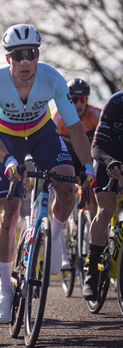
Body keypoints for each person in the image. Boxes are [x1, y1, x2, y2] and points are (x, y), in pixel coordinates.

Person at [0, 23, 95, 323]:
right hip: (6, 139)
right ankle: (5, 291)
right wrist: (6, 160)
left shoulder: (52, 78)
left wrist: (88, 166)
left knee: (68, 188)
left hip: (42, 133)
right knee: (9, 214)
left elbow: (74, 127)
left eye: (31, 54)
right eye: (18, 55)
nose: (25, 61)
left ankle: (54, 236)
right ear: (9, 59)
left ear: (38, 54)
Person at [52, 78, 101, 267]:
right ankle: (61, 247)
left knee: (95, 194)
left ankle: (94, 235)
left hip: (85, 156)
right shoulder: (59, 115)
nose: (78, 103)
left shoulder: (95, 113)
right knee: (65, 195)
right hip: (64, 155)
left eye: (82, 99)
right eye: (73, 99)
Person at [82, 91, 123, 300]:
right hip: (109, 158)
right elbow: (96, 146)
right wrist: (110, 162)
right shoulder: (116, 103)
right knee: (106, 210)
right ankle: (92, 270)